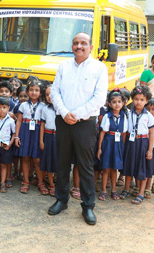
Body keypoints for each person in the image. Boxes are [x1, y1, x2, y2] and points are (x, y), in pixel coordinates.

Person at [49, 32, 108, 226]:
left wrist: (76, 114)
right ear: (72, 46)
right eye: (76, 43)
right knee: (63, 162)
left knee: (85, 165)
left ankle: (88, 205)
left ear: (91, 47)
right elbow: (55, 91)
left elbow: (99, 99)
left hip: (85, 122)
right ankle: (61, 199)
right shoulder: (64, 66)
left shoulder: (99, 68)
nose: (79, 46)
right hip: (63, 120)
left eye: (83, 43)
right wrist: (65, 112)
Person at [120, 85, 154, 205]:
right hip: (131, 142)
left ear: (146, 101)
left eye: (142, 100)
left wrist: (150, 150)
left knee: (142, 167)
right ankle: (126, 189)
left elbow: (151, 134)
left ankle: (141, 193)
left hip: (143, 143)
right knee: (129, 165)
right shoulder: (129, 113)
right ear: (132, 99)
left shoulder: (149, 116)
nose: (138, 102)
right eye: (136, 99)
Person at [13, 80, 46, 194]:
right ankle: (25, 181)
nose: (34, 92)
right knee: (25, 157)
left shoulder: (43, 106)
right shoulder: (23, 105)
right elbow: (19, 121)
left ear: (40, 93)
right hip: (25, 130)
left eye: (36, 90)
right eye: (31, 90)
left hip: (37, 131)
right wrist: (16, 137)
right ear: (27, 91)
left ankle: (41, 182)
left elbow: (43, 124)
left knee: (37, 159)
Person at [96, 89, 128, 201]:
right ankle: (103, 190)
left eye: (119, 101)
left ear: (123, 103)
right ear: (109, 104)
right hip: (108, 143)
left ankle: (113, 190)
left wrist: (122, 148)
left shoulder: (124, 117)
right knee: (106, 168)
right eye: (114, 102)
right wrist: (99, 148)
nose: (117, 104)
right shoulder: (106, 116)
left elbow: (124, 134)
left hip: (118, 145)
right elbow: (102, 133)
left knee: (114, 168)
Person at [39, 84, 58, 197]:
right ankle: (51, 184)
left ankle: (59, 183)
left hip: (59, 137)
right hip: (48, 136)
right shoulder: (45, 109)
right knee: (49, 161)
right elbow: (42, 125)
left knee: (59, 161)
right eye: (47, 95)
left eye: (51, 94)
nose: (49, 97)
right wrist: (41, 141)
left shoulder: (62, 109)